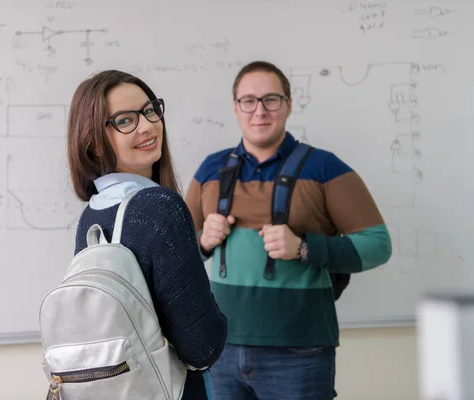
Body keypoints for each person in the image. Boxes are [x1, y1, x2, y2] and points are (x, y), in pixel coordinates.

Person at [185, 61, 393, 399]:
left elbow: (378, 245)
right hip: (220, 349)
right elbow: (178, 257)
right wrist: (203, 243)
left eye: (271, 99)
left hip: (301, 351)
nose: (260, 111)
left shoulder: (325, 167)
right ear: (236, 108)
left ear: (289, 104)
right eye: (249, 101)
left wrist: (304, 247)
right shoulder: (211, 169)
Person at [67, 69, 227, 399]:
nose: (147, 125)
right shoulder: (159, 207)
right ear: (95, 143)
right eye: (125, 120)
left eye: (150, 110)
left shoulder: (91, 215)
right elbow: (202, 347)